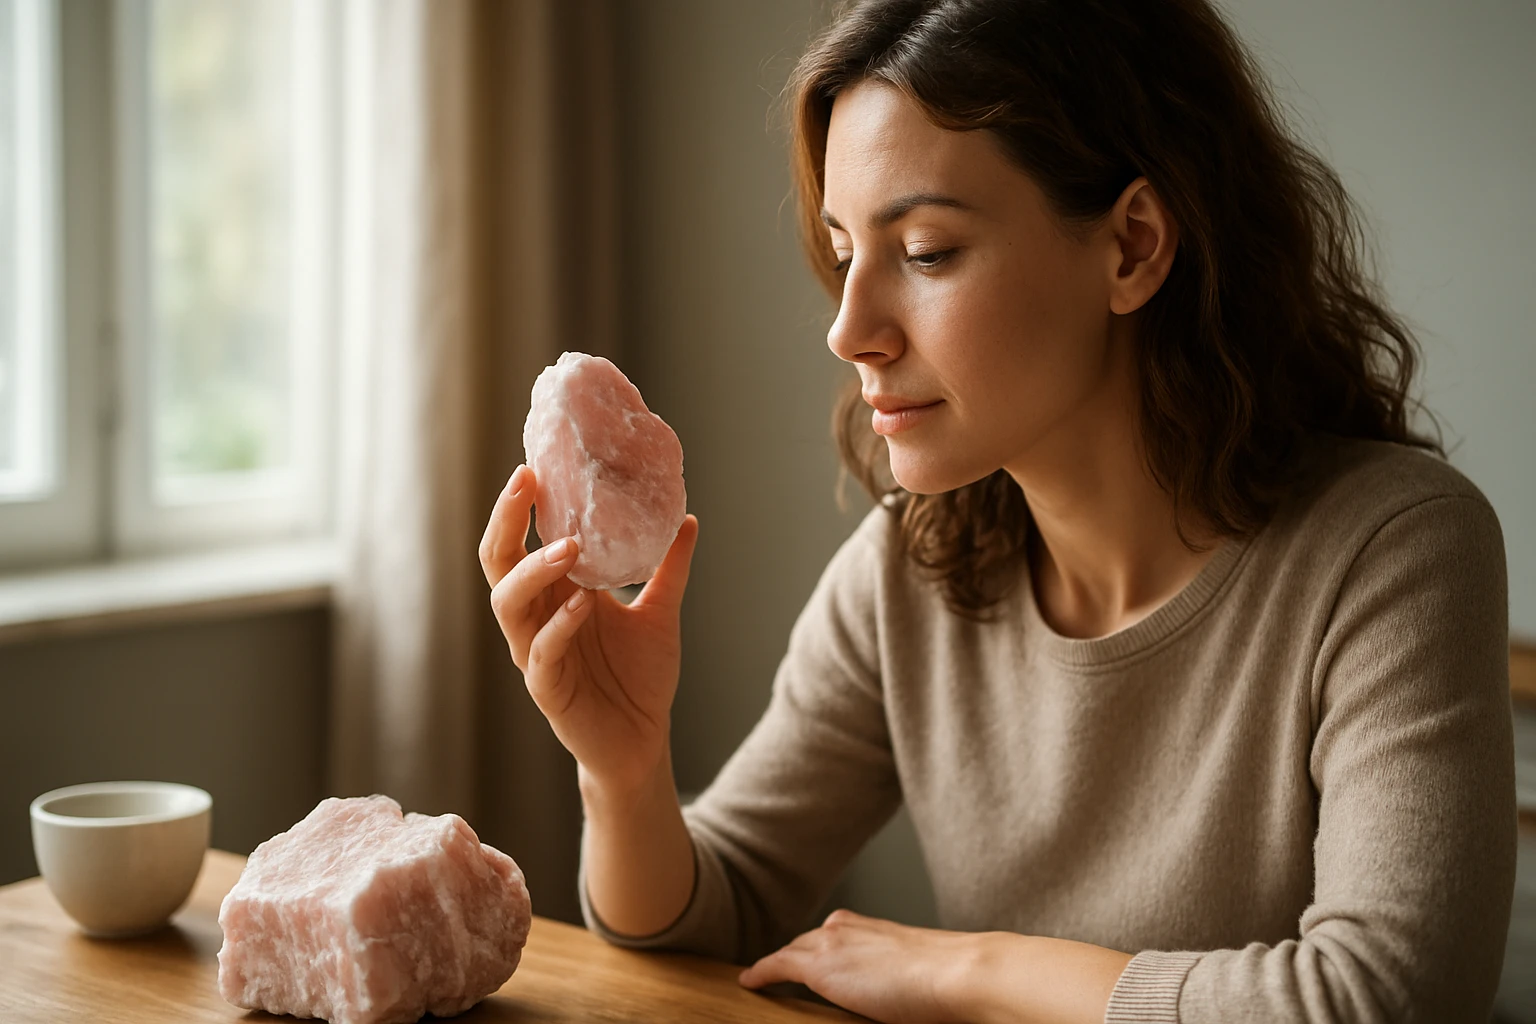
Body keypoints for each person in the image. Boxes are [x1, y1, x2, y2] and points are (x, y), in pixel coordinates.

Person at [478, 0, 1517, 1020]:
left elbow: (1385, 996)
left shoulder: (1397, 551)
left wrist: (964, 971)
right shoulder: (909, 570)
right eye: (845, 254)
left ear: (1133, 247)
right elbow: (705, 915)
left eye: (925, 250)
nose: (849, 329)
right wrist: (624, 770)